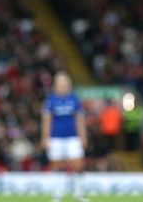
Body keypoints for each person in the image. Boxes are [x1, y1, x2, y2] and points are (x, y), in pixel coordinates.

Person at [41, 71, 89, 202]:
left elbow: (80, 119)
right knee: (56, 166)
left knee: (78, 164)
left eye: (65, 83)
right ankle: (57, 195)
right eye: (60, 83)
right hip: (56, 138)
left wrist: (83, 136)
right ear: (56, 85)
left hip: (73, 137)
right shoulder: (51, 100)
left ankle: (79, 195)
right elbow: (47, 120)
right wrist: (45, 138)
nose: (63, 86)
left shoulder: (74, 99)